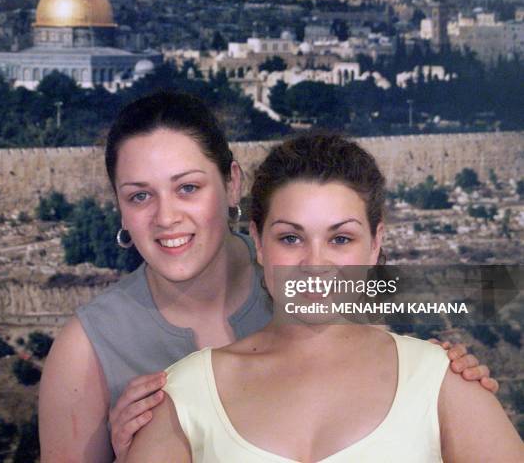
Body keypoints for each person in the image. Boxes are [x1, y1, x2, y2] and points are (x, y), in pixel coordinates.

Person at [39, 93, 499, 462]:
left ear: (232, 184)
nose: (167, 217)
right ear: (119, 206)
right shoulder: (86, 348)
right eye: (140, 196)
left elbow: (393, 372)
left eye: (188, 188)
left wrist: (445, 376)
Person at [126, 133, 522, 463]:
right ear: (259, 243)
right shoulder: (182, 396)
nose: (315, 263)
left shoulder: (443, 384)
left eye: (340, 239)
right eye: (291, 238)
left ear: (374, 245)